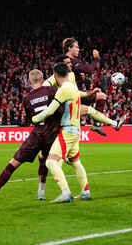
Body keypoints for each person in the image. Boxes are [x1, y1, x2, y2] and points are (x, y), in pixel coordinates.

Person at [0, 69, 67, 202]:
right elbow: (61, 109)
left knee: (14, 163)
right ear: (43, 80)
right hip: (52, 134)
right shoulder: (51, 91)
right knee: (45, 159)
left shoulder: (27, 99)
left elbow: (31, 119)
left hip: (37, 135)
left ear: (29, 82)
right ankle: (42, 191)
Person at [32, 62, 90, 203]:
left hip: (68, 130)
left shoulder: (64, 89)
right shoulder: (73, 87)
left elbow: (51, 110)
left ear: (56, 75)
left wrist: (36, 118)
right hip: (76, 129)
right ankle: (85, 192)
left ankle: (65, 192)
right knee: (76, 162)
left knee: (51, 162)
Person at [43, 56, 126, 132]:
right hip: (59, 108)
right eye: (67, 63)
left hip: (69, 106)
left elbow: (76, 92)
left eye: (70, 62)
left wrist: (91, 92)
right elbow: (44, 87)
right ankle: (113, 124)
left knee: (88, 110)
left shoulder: (71, 75)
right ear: (61, 65)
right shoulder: (54, 77)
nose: (71, 64)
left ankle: (114, 124)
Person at [62, 37, 110, 136]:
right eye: (76, 47)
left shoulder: (74, 60)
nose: (78, 49)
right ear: (69, 48)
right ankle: (95, 123)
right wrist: (95, 59)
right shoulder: (69, 61)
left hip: (78, 92)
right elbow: (88, 69)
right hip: (72, 95)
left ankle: (96, 124)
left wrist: (81, 77)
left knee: (102, 96)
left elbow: (82, 73)